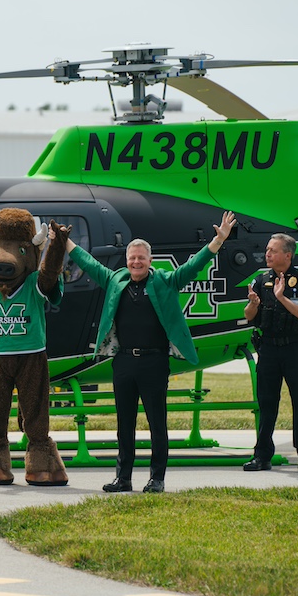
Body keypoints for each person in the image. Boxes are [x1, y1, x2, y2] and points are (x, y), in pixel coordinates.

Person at [65, 211, 237, 493]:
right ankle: (124, 478)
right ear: (126, 260)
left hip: (154, 362)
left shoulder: (165, 281)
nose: (135, 262)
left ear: (150, 260)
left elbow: (193, 266)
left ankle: (157, 478)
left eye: (140, 258)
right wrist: (66, 243)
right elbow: (89, 264)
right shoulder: (114, 280)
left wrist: (217, 242)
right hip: (123, 363)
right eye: (132, 258)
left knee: (157, 423)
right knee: (125, 425)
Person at [242, 233, 298, 473]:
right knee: (266, 404)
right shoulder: (260, 280)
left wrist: (281, 298)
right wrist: (253, 304)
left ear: (288, 255)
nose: (267, 254)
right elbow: (248, 316)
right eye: (267, 250)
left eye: (273, 250)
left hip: (296, 349)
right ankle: (262, 456)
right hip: (269, 350)